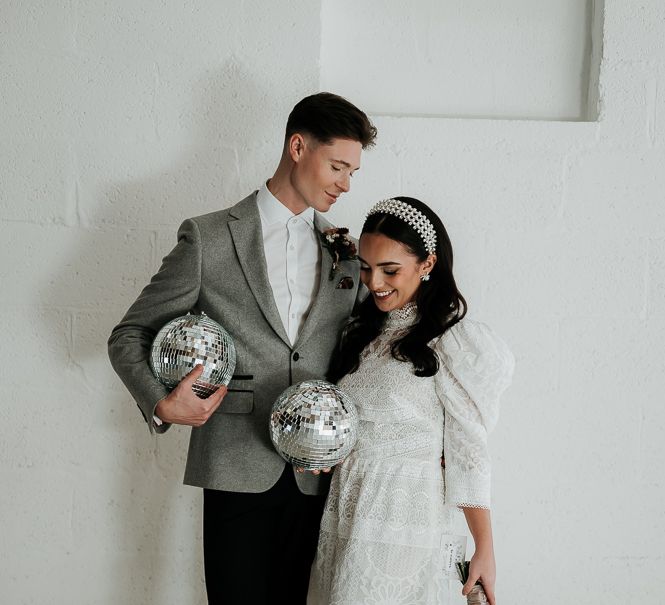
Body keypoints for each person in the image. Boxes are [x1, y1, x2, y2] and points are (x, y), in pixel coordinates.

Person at [107, 92, 376, 604]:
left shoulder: (345, 251)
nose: (345, 183)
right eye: (338, 166)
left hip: (316, 474)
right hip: (235, 463)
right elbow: (129, 334)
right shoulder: (209, 238)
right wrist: (162, 405)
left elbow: (362, 348)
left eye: (352, 172)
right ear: (298, 146)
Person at [307, 197, 515, 605]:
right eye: (366, 267)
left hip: (400, 519)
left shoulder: (451, 341)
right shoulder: (363, 331)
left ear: (427, 264)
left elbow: (468, 450)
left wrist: (485, 547)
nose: (374, 281)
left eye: (390, 270)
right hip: (346, 510)